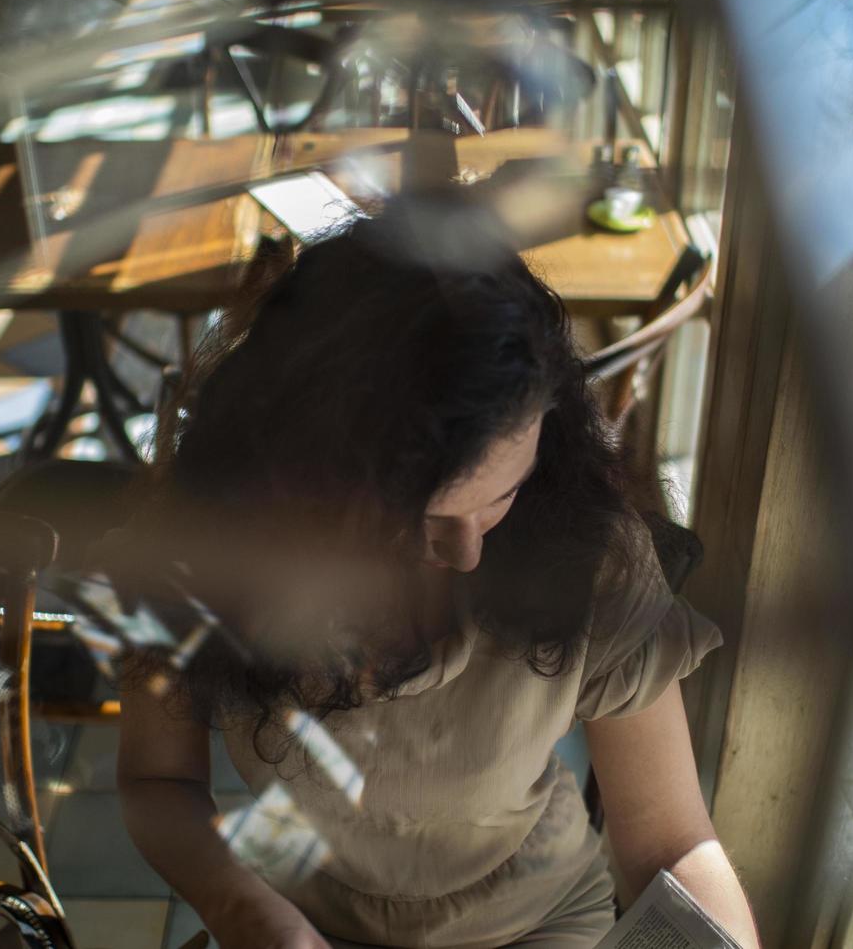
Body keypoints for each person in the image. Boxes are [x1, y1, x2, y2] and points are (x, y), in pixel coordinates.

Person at [116, 199, 760, 949]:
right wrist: (240, 910)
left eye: (500, 499)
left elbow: (670, 843)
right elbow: (159, 784)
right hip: (296, 909)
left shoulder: (588, 556)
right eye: (410, 523)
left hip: (530, 923)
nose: (463, 556)